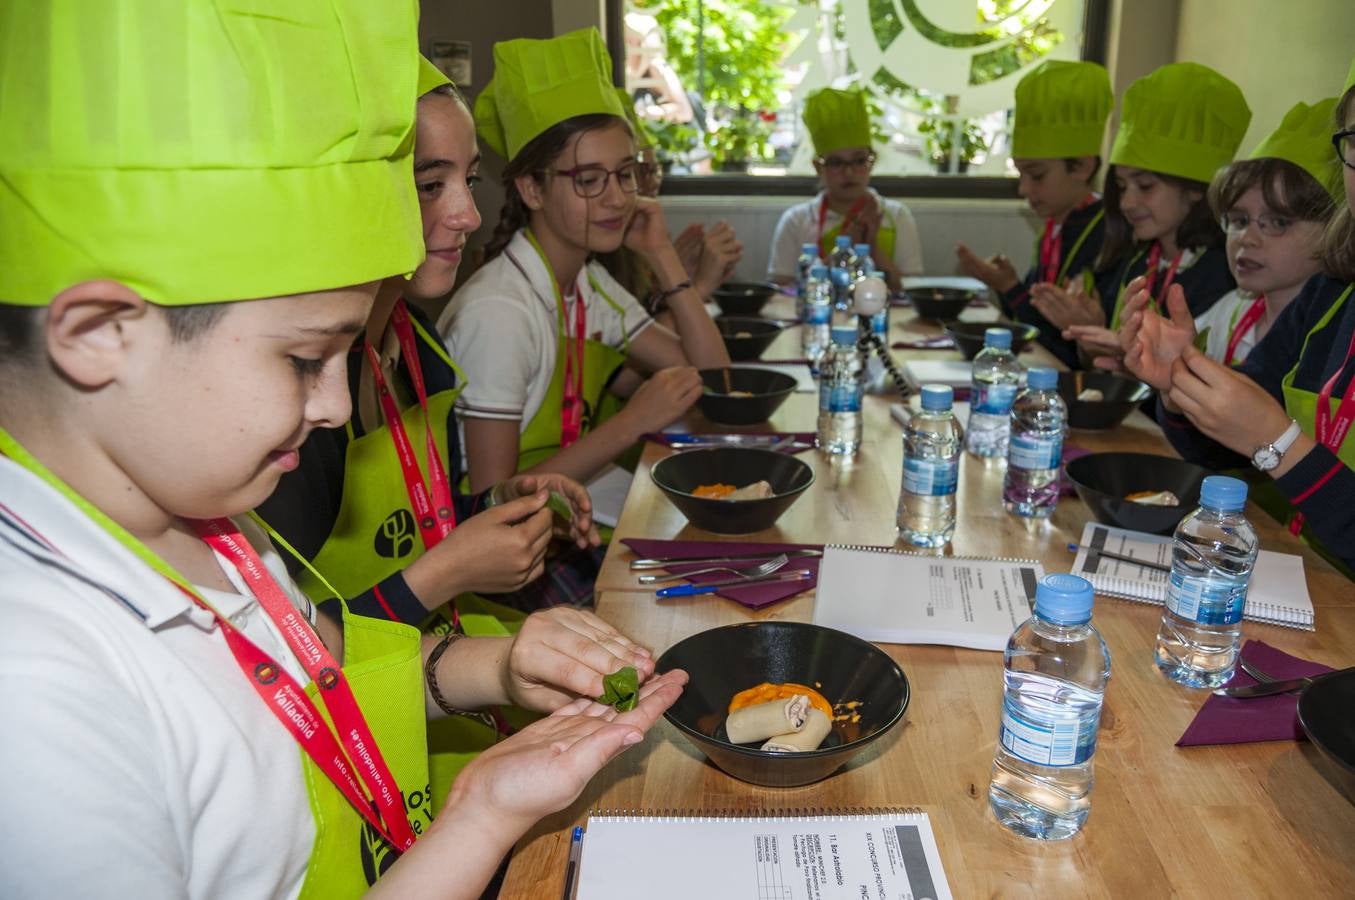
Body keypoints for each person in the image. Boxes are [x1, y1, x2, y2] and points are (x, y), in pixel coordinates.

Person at [0, 5, 685, 898]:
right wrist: (477, 813)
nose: (334, 405)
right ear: (97, 334)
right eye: (302, 359)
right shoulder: (36, 701)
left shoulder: (200, 521)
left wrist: (494, 667)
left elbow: (309, 661)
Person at [438, 28, 729, 493]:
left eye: (626, 174)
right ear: (532, 189)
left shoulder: (587, 283)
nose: (617, 199)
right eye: (589, 180)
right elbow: (489, 503)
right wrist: (633, 422)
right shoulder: (501, 312)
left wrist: (662, 254)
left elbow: (713, 380)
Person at [1121, 59, 1355, 576]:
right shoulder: (1331, 297)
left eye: (1276, 223)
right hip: (1301, 573)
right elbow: (1219, 447)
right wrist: (1176, 385)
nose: (1248, 238)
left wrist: (1279, 442)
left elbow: (1262, 438)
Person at [1038, 63, 1249, 367]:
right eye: (1122, 187)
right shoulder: (1135, 261)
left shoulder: (1220, 276)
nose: (1126, 202)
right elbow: (1100, 370)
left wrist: (1108, 341)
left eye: (1146, 186)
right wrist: (1090, 337)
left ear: (1195, 190)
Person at [955, 60, 1113, 368]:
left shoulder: (1107, 237)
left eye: (1036, 175)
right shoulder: (1054, 226)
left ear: (1082, 166)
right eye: (1020, 175)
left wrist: (1011, 288)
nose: (1024, 189)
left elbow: (1062, 345)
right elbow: (1036, 325)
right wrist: (1008, 285)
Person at [1191, 100, 1339, 366]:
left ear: (1334, 232)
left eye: (1279, 222)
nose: (1246, 238)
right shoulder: (1232, 309)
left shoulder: (1335, 342)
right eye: (1239, 219)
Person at [767, 87, 924, 291]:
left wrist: (872, 248)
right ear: (818, 167)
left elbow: (910, 291)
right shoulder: (796, 221)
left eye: (858, 161)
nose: (849, 173)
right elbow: (781, 290)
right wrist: (844, 248)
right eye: (835, 163)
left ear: (871, 162)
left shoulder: (897, 216)